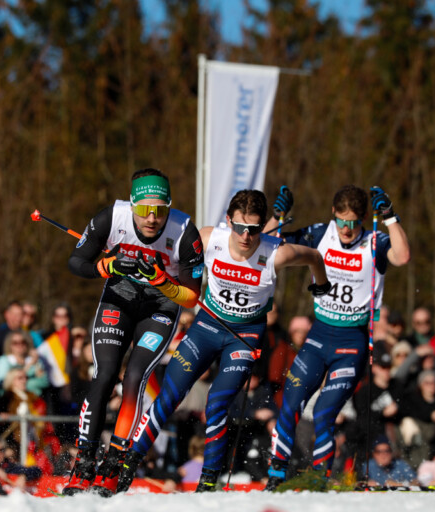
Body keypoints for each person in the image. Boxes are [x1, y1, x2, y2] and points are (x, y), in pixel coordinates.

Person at [115, 189, 330, 495]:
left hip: (243, 337)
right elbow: (164, 248)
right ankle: (128, 465)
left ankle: (208, 482)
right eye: (240, 227)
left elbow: (314, 257)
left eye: (254, 230)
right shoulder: (208, 237)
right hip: (207, 326)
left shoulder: (276, 252)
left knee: (217, 404)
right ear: (228, 220)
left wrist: (320, 286)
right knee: (168, 397)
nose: (245, 236)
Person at [62, 168, 205, 495]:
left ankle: (113, 464)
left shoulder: (185, 232)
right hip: (119, 300)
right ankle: (84, 461)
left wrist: (162, 282)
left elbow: (192, 295)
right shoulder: (113, 217)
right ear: (132, 205)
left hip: (161, 308)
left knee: (135, 377)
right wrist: (107, 266)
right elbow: (76, 261)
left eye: (160, 210)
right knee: (105, 374)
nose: (152, 218)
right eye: (143, 210)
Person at [263, 184, 410, 490]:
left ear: (363, 220)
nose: (347, 229)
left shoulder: (374, 241)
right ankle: (276, 475)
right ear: (333, 215)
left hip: (351, 343)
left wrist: (390, 217)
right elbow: (267, 245)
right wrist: (278, 215)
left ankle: (319, 479)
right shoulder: (321, 233)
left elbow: (403, 256)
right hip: (318, 337)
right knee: (290, 404)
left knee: (324, 413)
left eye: (354, 222)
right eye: (342, 221)